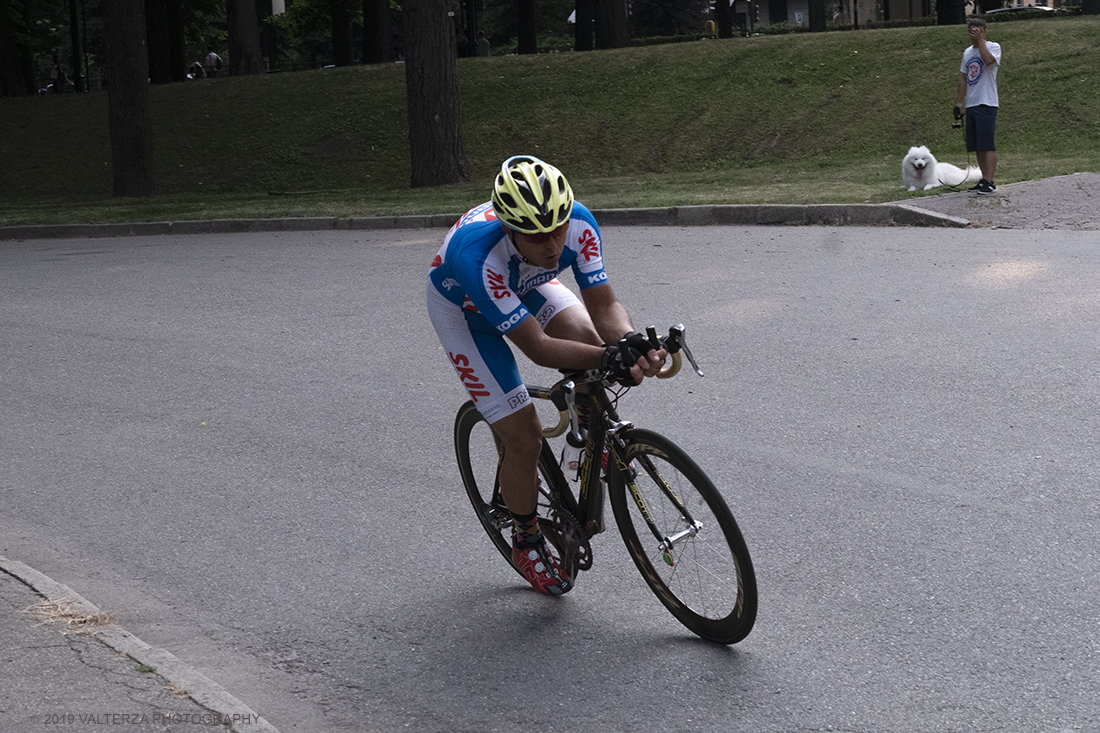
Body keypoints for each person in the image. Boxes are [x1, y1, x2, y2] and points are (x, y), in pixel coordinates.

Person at [426, 156, 667, 596]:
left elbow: (603, 305)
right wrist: (609, 356)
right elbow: (536, 345)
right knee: (525, 436)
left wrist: (628, 341)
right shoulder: (476, 255)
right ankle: (526, 537)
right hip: (465, 310)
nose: (553, 244)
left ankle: (584, 441)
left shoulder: (578, 222)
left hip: (525, 284)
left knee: (592, 343)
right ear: (510, 228)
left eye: (557, 229)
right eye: (537, 236)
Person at [955, 17, 1001, 195]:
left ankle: (990, 181)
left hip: (987, 101)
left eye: (978, 30)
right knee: (977, 144)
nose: (974, 34)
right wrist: (959, 102)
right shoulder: (967, 53)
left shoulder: (994, 47)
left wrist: (981, 42)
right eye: (971, 31)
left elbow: (989, 61)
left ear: (985, 31)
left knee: (987, 143)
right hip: (972, 103)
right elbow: (964, 77)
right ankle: (983, 178)